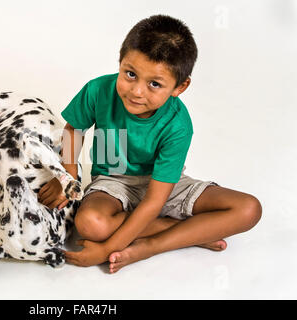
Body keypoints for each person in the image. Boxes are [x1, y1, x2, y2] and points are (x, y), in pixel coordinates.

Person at [37, 14, 262, 273]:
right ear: (120, 62)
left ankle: (152, 245)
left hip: (164, 186)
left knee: (248, 209)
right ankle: (189, 231)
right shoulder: (98, 90)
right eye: (130, 74)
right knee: (89, 224)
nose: (137, 91)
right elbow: (74, 129)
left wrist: (107, 249)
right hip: (113, 182)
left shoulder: (178, 124)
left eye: (155, 83)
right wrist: (67, 175)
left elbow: (155, 201)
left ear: (180, 86)